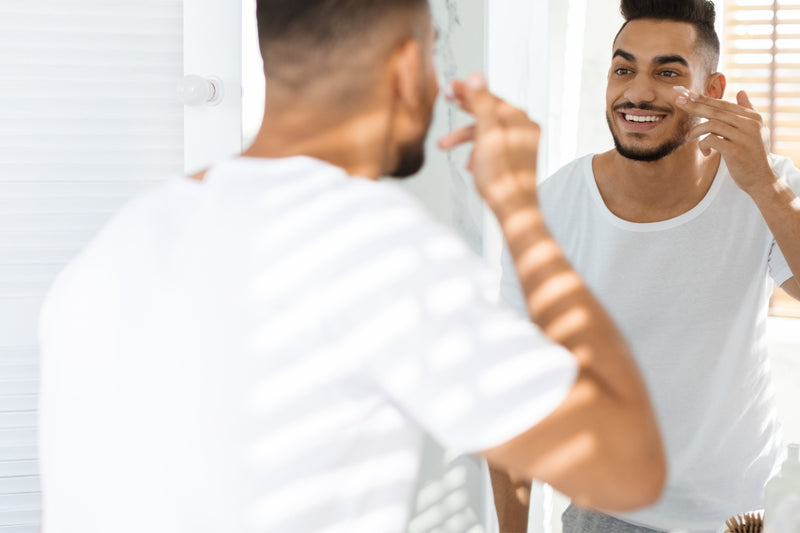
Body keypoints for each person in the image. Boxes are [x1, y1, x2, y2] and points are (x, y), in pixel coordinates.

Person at [37, 1, 665, 532]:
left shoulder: (120, 242)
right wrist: (522, 211)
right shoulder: (373, 249)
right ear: (406, 67)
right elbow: (630, 467)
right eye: (435, 47)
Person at [493, 0, 800, 532]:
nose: (638, 91)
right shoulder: (549, 208)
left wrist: (765, 189)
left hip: (743, 515)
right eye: (623, 68)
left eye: (667, 72)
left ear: (713, 90)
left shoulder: (762, 183)